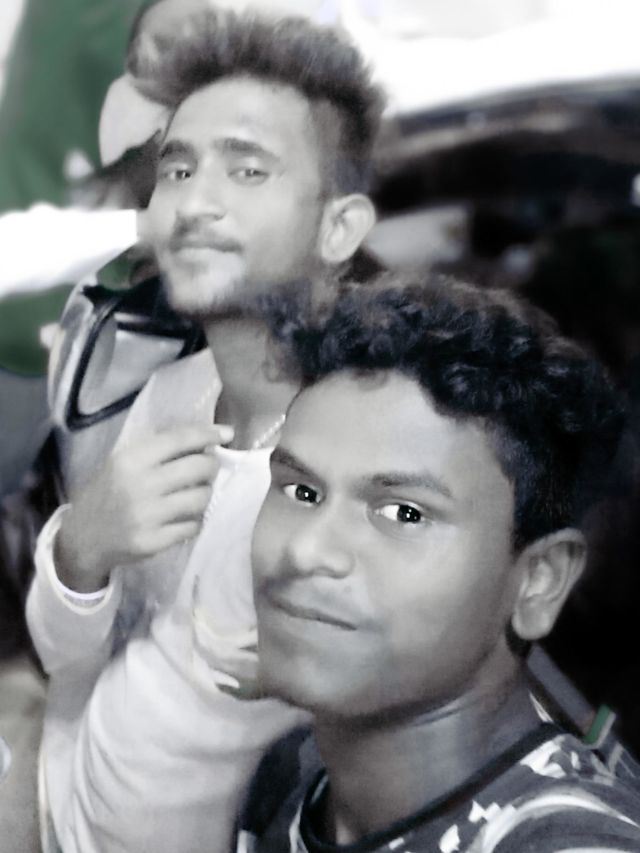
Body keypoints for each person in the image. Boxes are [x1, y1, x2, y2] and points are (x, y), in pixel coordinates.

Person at [26, 7, 384, 853]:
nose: (192, 203)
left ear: (338, 227)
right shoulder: (170, 395)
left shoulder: (371, 464)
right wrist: (81, 550)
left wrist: (335, 682)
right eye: (178, 168)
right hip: (50, 793)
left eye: (247, 169)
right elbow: (66, 655)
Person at [241, 272, 640, 851]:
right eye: (302, 492)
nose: (306, 551)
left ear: (539, 580)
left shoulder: (566, 840)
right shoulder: (292, 773)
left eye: (404, 513)